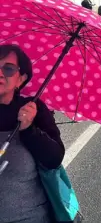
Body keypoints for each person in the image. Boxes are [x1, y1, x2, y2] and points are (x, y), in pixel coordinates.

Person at [0, 44, 65, 223]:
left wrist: (28, 128)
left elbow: (54, 159)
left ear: (21, 79)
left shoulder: (32, 109)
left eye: (8, 69)